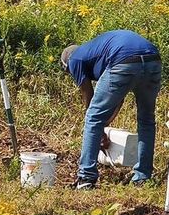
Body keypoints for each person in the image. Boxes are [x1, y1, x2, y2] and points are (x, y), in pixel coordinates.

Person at [62, 29, 162, 190]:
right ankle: (142, 178)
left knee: (92, 118)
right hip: (153, 60)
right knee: (146, 120)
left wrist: (99, 126)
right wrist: (104, 125)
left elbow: (88, 95)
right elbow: (118, 98)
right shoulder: (96, 54)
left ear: (66, 65)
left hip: (124, 60)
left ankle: (86, 177)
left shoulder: (74, 59)